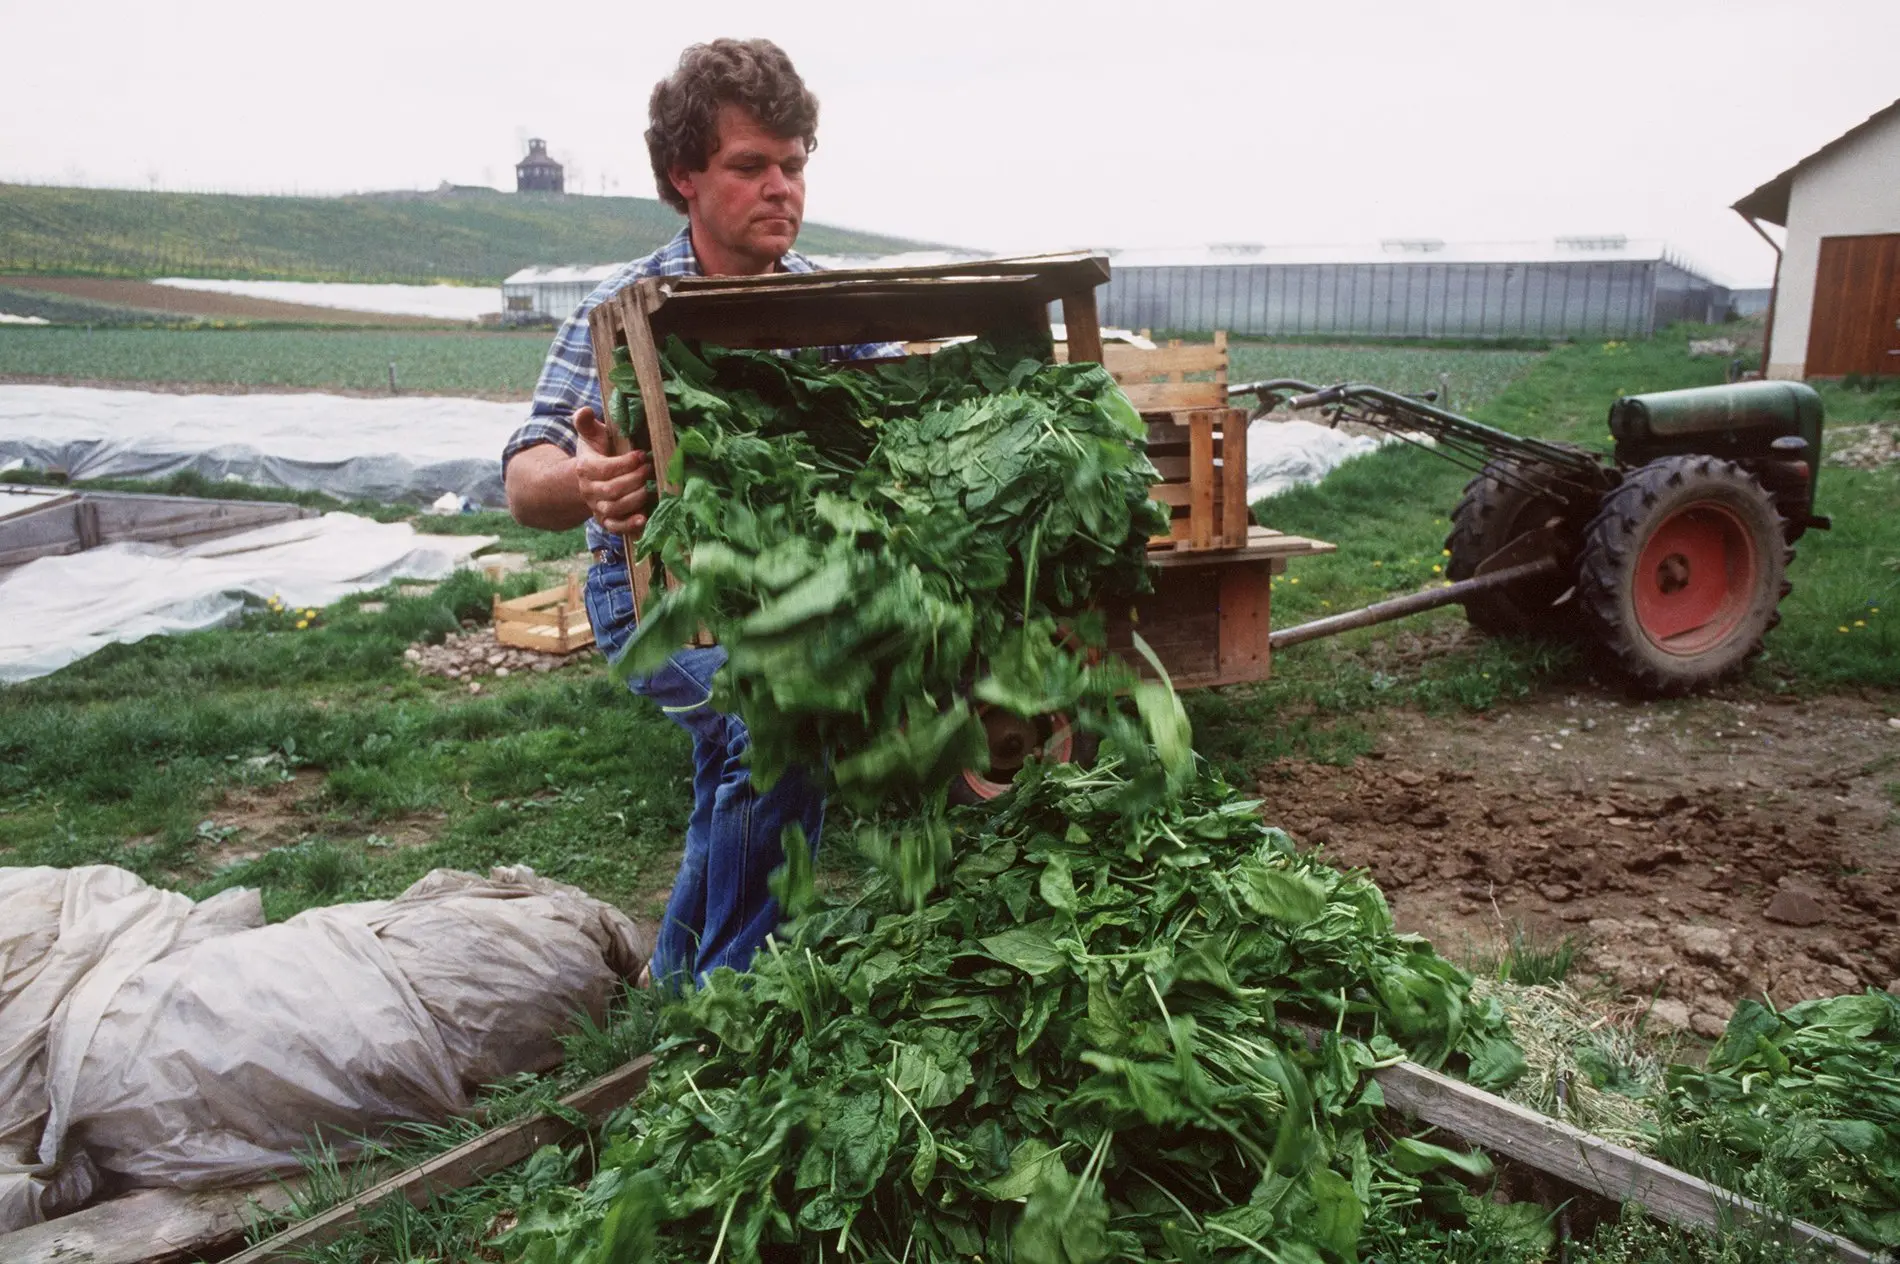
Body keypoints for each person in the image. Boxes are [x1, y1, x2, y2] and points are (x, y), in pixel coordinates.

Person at [501, 39, 898, 987]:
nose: (781, 190)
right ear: (684, 175)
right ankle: (732, 999)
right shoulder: (624, 311)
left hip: (790, 593)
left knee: (751, 748)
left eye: (793, 166)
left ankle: (676, 979)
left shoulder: (832, 310)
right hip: (650, 598)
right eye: (749, 166)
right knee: (773, 715)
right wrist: (588, 483)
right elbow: (525, 475)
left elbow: (894, 430)